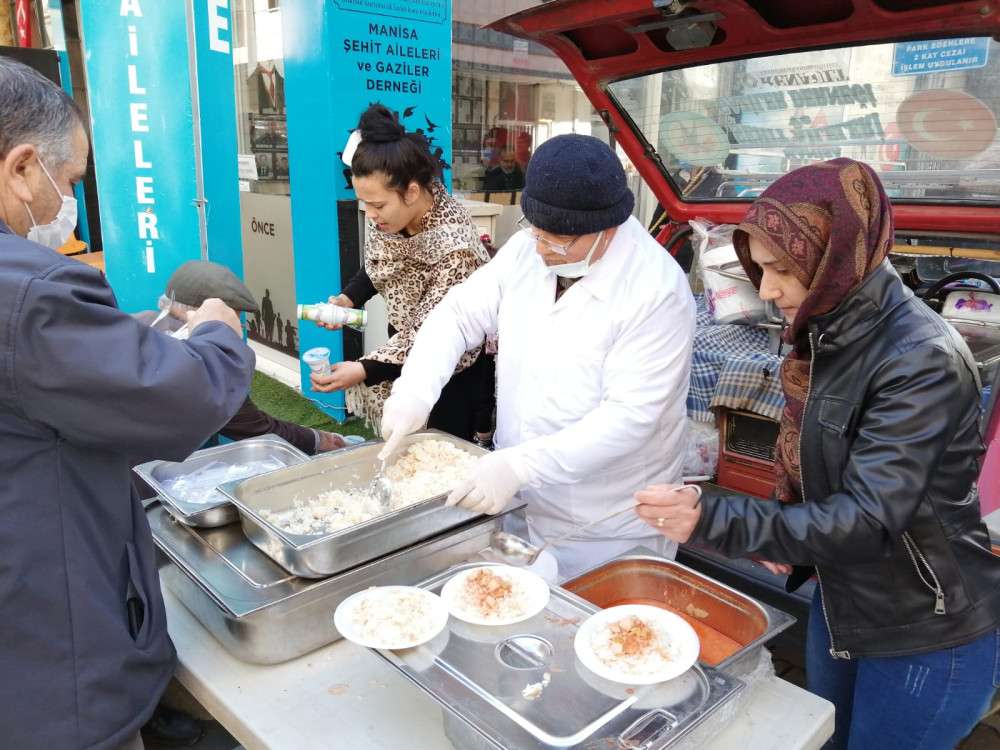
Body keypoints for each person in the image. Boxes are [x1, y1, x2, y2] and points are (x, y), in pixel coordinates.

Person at [635, 158, 1000, 749]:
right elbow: (828, 467)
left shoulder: (919, 358)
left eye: (782, 268)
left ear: (835, 257)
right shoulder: (826, 331)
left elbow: (869, 516)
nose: (767, 288)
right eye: (759, 268)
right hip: (844, 595)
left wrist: (713, 517)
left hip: (926, 628)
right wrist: (785, 528)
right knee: (822, 738)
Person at [0, 57, 255, 750]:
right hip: (49, 665)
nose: (69, 202)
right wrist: (215, 336)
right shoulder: (31, 291)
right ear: (23, 168)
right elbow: (181, 399)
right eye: (72, 181)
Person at [379, 133, 695, 581]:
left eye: (558, 241)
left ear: (607, 229)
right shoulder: (531, 248)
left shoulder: (655, 291)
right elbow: (458, 314)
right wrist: (415, 391)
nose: (542, 249)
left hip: (607, 518)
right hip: (521, 499)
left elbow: (631, 417)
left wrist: (519, 465)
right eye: (536, 233)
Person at [309, 103, 495, 443]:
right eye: (364, 203)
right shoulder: (394, 214)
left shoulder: (457, 248)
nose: (371, 215)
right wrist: (348, 298)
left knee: (438, 452)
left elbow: (433, 336)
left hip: (452, 365)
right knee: (402, 442)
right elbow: (381, 264)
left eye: (378, 205)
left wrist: (363, 370)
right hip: (401, 344)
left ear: (411, 191)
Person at [135, 261, 348, 455]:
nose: (237, 327)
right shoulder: (202, 361)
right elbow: (255, 429)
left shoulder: (140, 323)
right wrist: (323, 440)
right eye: (233, 318)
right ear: (208, 315)